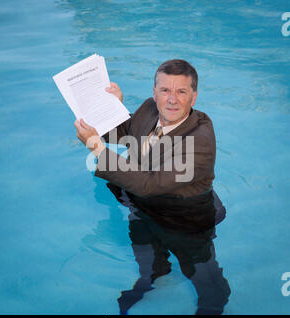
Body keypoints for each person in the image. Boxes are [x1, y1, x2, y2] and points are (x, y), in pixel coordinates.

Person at [74, 59, 226, 233]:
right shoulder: (150, 108)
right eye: (165, 90)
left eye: (181, 92)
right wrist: (112, 109)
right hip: (142, 206)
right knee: (145, 258)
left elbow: (149, 184)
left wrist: (96, 147)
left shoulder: (200, 142)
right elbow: (124, 133)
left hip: (185, 222)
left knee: (196, 261)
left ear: (194, 97)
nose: (172, 100)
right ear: (155, 93)